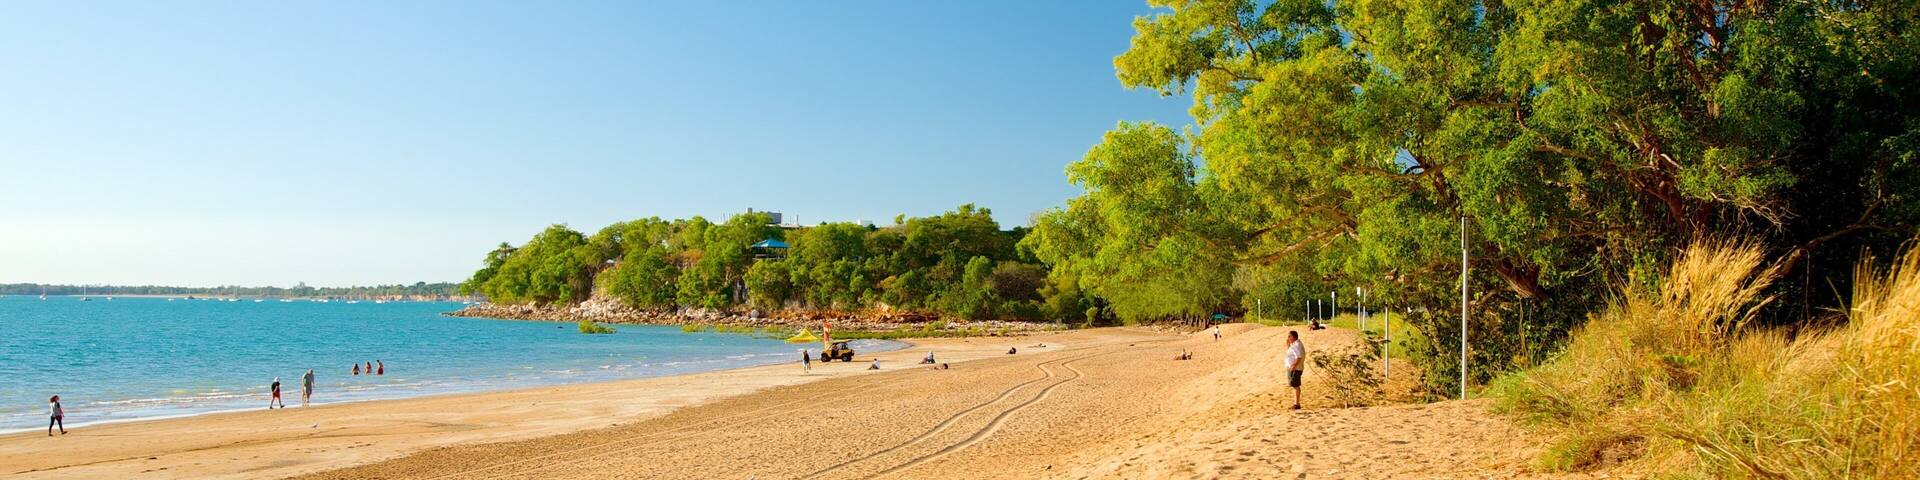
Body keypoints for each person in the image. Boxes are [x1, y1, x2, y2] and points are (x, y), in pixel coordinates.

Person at [1284, 330, 1306, 410]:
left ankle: (1297, 404)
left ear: (1293, 337)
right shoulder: (1295, 344)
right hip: (1295, 368)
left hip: (1295, 369)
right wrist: (1288, 345)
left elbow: (1299, 357)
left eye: (1289, 336)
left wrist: (1294, 366)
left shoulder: (1296, 345)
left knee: (1295, 385)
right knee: (1294, 385)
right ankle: (1296, 403)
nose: (1288, 338)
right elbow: (1291, 353)